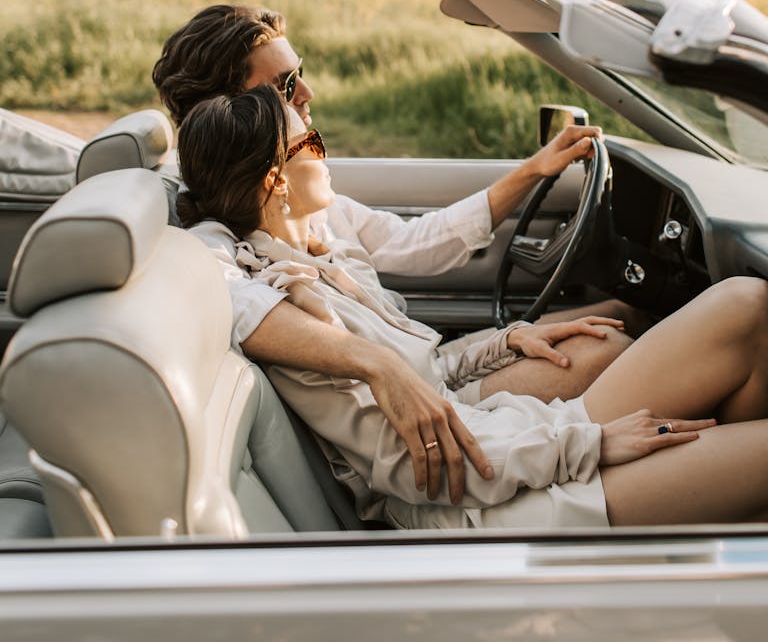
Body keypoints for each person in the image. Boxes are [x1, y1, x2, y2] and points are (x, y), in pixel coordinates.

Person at [177, 86, 768, 529]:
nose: (324, 144)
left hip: (508, 442)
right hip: (484, 506)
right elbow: (416, 471)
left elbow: (424, 366)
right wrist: (592, 442)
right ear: (277, 180)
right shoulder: (283, 305)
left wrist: (505, 341)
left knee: (747, 304)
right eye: (313, 140)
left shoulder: (321, 260)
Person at [153, 4, 633, 502]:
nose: (306, 94)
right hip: (418, 436)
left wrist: (532, 171)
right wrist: (380, 366)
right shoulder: (214, 241)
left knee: (615, 322)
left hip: (440, 379)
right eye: (284, 83)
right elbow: (235, 303)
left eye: (301, 74)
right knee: (616, 341)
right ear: (229, 107)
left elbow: (413, 242)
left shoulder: (311, 205)